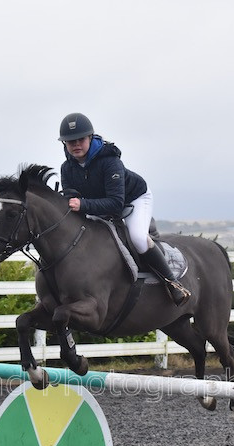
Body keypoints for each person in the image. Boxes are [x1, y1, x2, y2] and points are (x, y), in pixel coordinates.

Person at [58, 112, 190, 305]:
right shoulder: (67, 168)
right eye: (71, 141)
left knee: (137, 238)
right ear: (65, 144)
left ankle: (173, 283)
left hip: (132, 199)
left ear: (90, 138)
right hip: (100, 205)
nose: (76, 144)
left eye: (80, 139)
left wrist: (83, 204)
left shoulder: (110, 161)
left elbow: (115, 203)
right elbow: (71, 198)